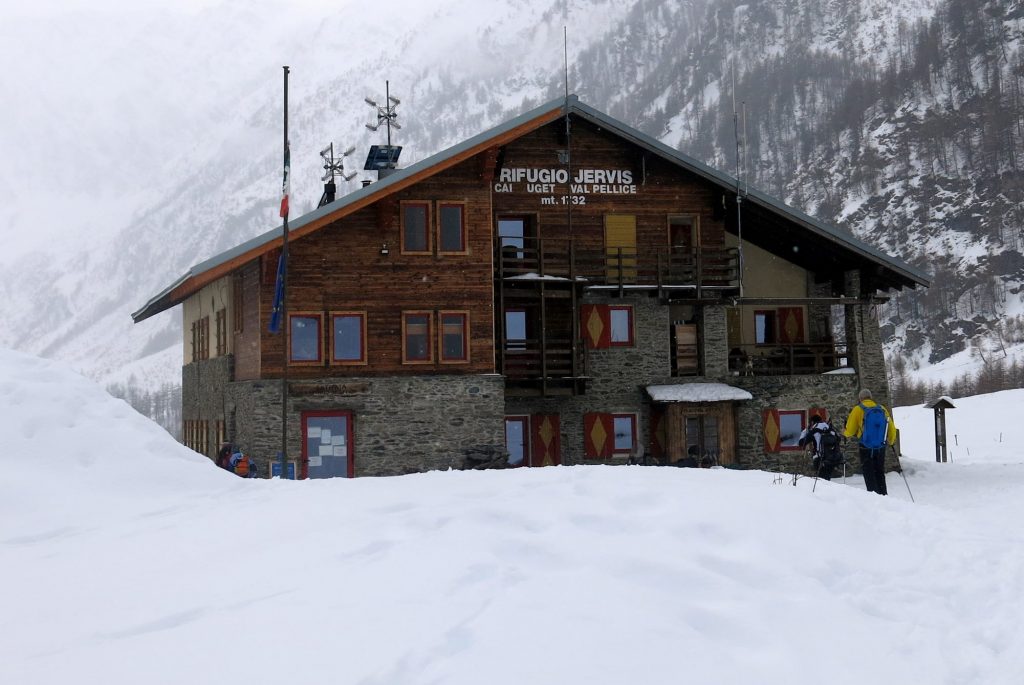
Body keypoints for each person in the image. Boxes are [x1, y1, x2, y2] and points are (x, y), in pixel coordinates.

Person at [843, 389, 897, 495]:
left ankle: (874, 496)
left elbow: (850, 431)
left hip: (865, 446)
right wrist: (891, 441)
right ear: (871, 397)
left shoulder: (858, 409)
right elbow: (891, 427)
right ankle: (883, 495)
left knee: (869, 472)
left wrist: (845, 433)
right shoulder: (881, 408)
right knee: (879, 472)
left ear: (860, 399)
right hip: (880, 446)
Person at [799, 414, 839, 480]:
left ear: (812, 422)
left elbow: (801, 443)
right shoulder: (829, 428)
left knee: (821, 480)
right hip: (832, 457)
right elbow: (838, 439)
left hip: (819, 458)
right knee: (827, 479)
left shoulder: (814, 430)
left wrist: (804, 432)